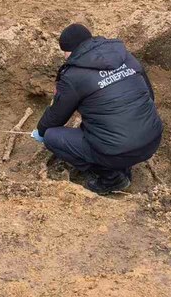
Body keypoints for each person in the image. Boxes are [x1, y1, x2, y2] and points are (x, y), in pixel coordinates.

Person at [31, 23, 163, 195]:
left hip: (118, 149)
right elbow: (149, 96)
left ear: (70, 50)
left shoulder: (73, 75)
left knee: (52, 137)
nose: (65, 57)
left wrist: (41, 131)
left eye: (64, 52)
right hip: (152, 139)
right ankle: (122, 164)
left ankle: (112, 178)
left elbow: (57, 115)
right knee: (105, 128)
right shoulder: (126, 57)